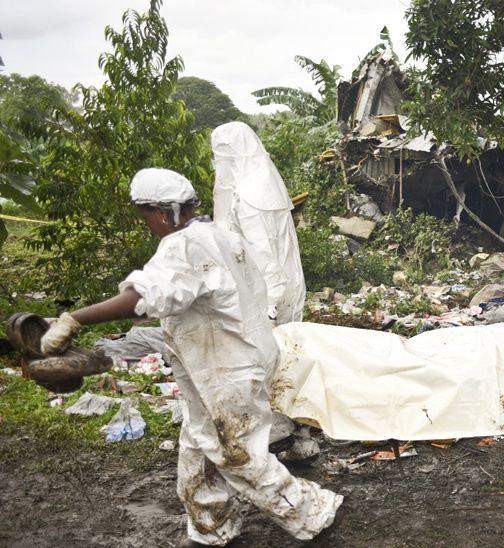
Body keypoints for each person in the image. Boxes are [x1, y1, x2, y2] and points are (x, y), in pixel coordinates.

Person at [39, 168, 342, 546]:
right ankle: (210, 527)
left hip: (227, 366)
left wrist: (74, 319)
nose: (147, 224)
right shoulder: (221, 236)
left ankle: (313, 512)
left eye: (145, 215)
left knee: (237, 454)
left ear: (162, 212)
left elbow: (144, 297)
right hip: (234, 358)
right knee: (198, 446)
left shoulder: (184, 246)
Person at [211, 121, 306, 325]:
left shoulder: (248, 197)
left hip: (267, 294)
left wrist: (268, 304)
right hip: (283, 287)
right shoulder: (265, 183)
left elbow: (262, 253)